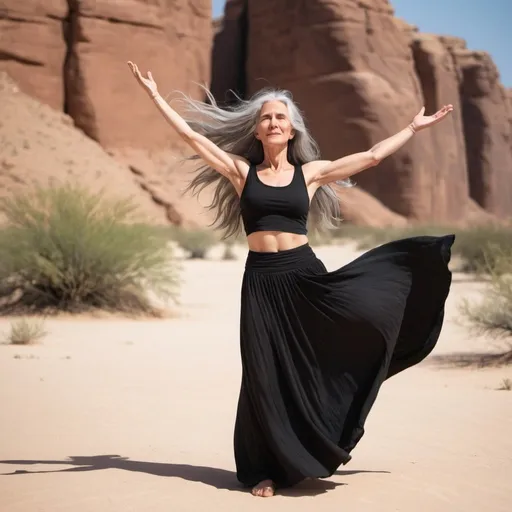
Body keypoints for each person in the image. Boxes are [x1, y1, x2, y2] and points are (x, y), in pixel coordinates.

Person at [128, 61, 455, 498]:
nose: (273, 121)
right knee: (263, 373)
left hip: (305, 278)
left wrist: (412, 129)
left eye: (281, 116)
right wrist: (153, 96)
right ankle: (265, 469)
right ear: (258, 131)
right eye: (266, 117)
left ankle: (313, 445)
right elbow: (191, 137)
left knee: (313, 364)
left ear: (292, 130)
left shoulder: (312, 173)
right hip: (262, 282)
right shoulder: (241, 172)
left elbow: (372, 156)